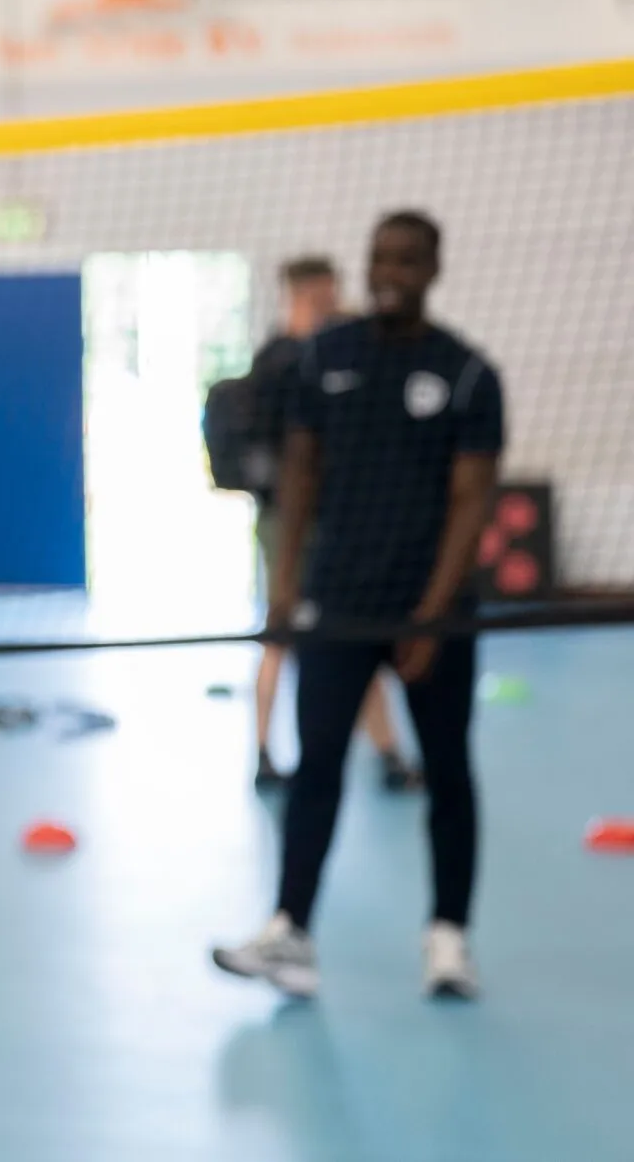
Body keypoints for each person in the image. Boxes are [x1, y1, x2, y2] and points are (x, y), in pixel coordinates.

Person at [214, 210, 501, 1002]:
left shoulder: (467, 373)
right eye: (381, 257)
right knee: (317, 767)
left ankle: (449, 936)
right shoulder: (326, 358)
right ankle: (290, 933)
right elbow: (301, 470)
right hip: (340, 600)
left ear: (433, 268)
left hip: (434, 611)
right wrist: (285, 584)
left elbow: (471, 500)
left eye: (407, 259)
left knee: (448, 771)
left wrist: (431, 615)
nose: (390, 272)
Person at [244, 257, 417, 793]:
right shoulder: (282, 363)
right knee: (280, 637)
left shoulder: (335, 357)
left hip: (337, 523)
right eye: (323, 296)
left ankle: (388, 752)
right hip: (288, 525)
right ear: (301, 295)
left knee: (355, 634)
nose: (332, 303)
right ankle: (263, 751)